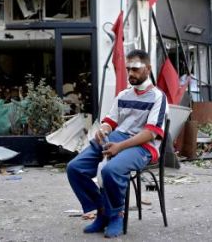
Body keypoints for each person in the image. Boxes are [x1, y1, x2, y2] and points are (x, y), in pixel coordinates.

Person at [66, 49, 168, 238]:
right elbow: (110, 121)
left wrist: (120, 147)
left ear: (148, 69)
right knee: (74, 168)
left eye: (136, 69)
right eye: (128, 69)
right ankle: (103, 210)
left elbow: (151, 133)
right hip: (116, 140)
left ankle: (116, 215)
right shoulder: (123, 95)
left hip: (143, 147)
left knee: (110, 170)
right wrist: (103, 130)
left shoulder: (158, 97)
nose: (130, 73)